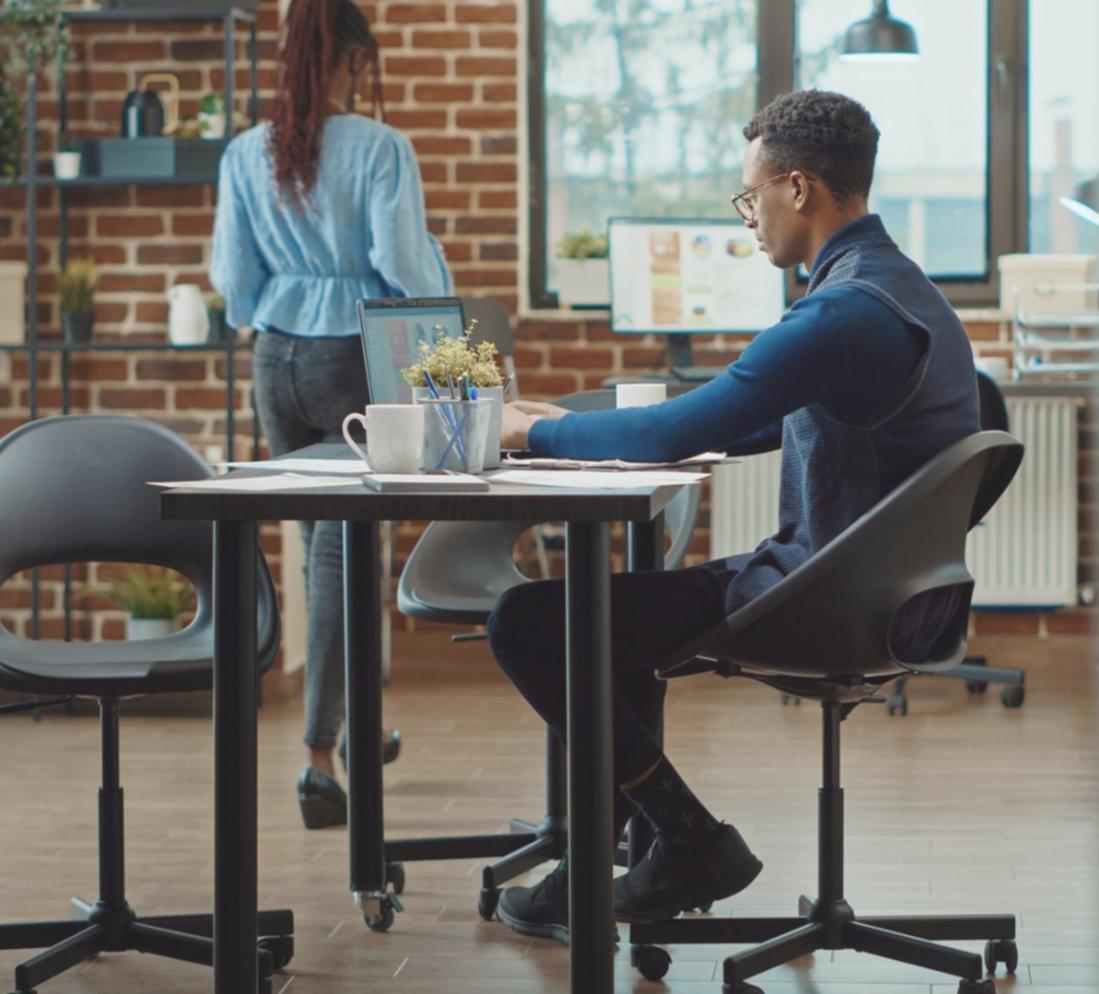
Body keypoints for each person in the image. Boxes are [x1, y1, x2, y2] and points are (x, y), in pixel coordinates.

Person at [486, 90, 982, 940]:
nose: (746, 217)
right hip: (890, 593)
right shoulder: (896, 290)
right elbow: (754, 415)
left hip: (828, 600)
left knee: (529, 620)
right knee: (610, 620)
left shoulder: (840, 311)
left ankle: (685, 842)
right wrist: (574, 422)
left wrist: (532, 429)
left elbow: (682, 430)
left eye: (749, 197)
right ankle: (630, 858)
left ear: (799, 190)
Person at [211, 0, 450, 830]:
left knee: (321, 546)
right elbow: (402, 265)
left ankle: (359, 727)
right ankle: (320, 755)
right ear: (350, 65)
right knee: (349, 552)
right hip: (354, 356)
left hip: (274, 357)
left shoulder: (247, 152)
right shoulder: (382, 149)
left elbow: (234, 283)